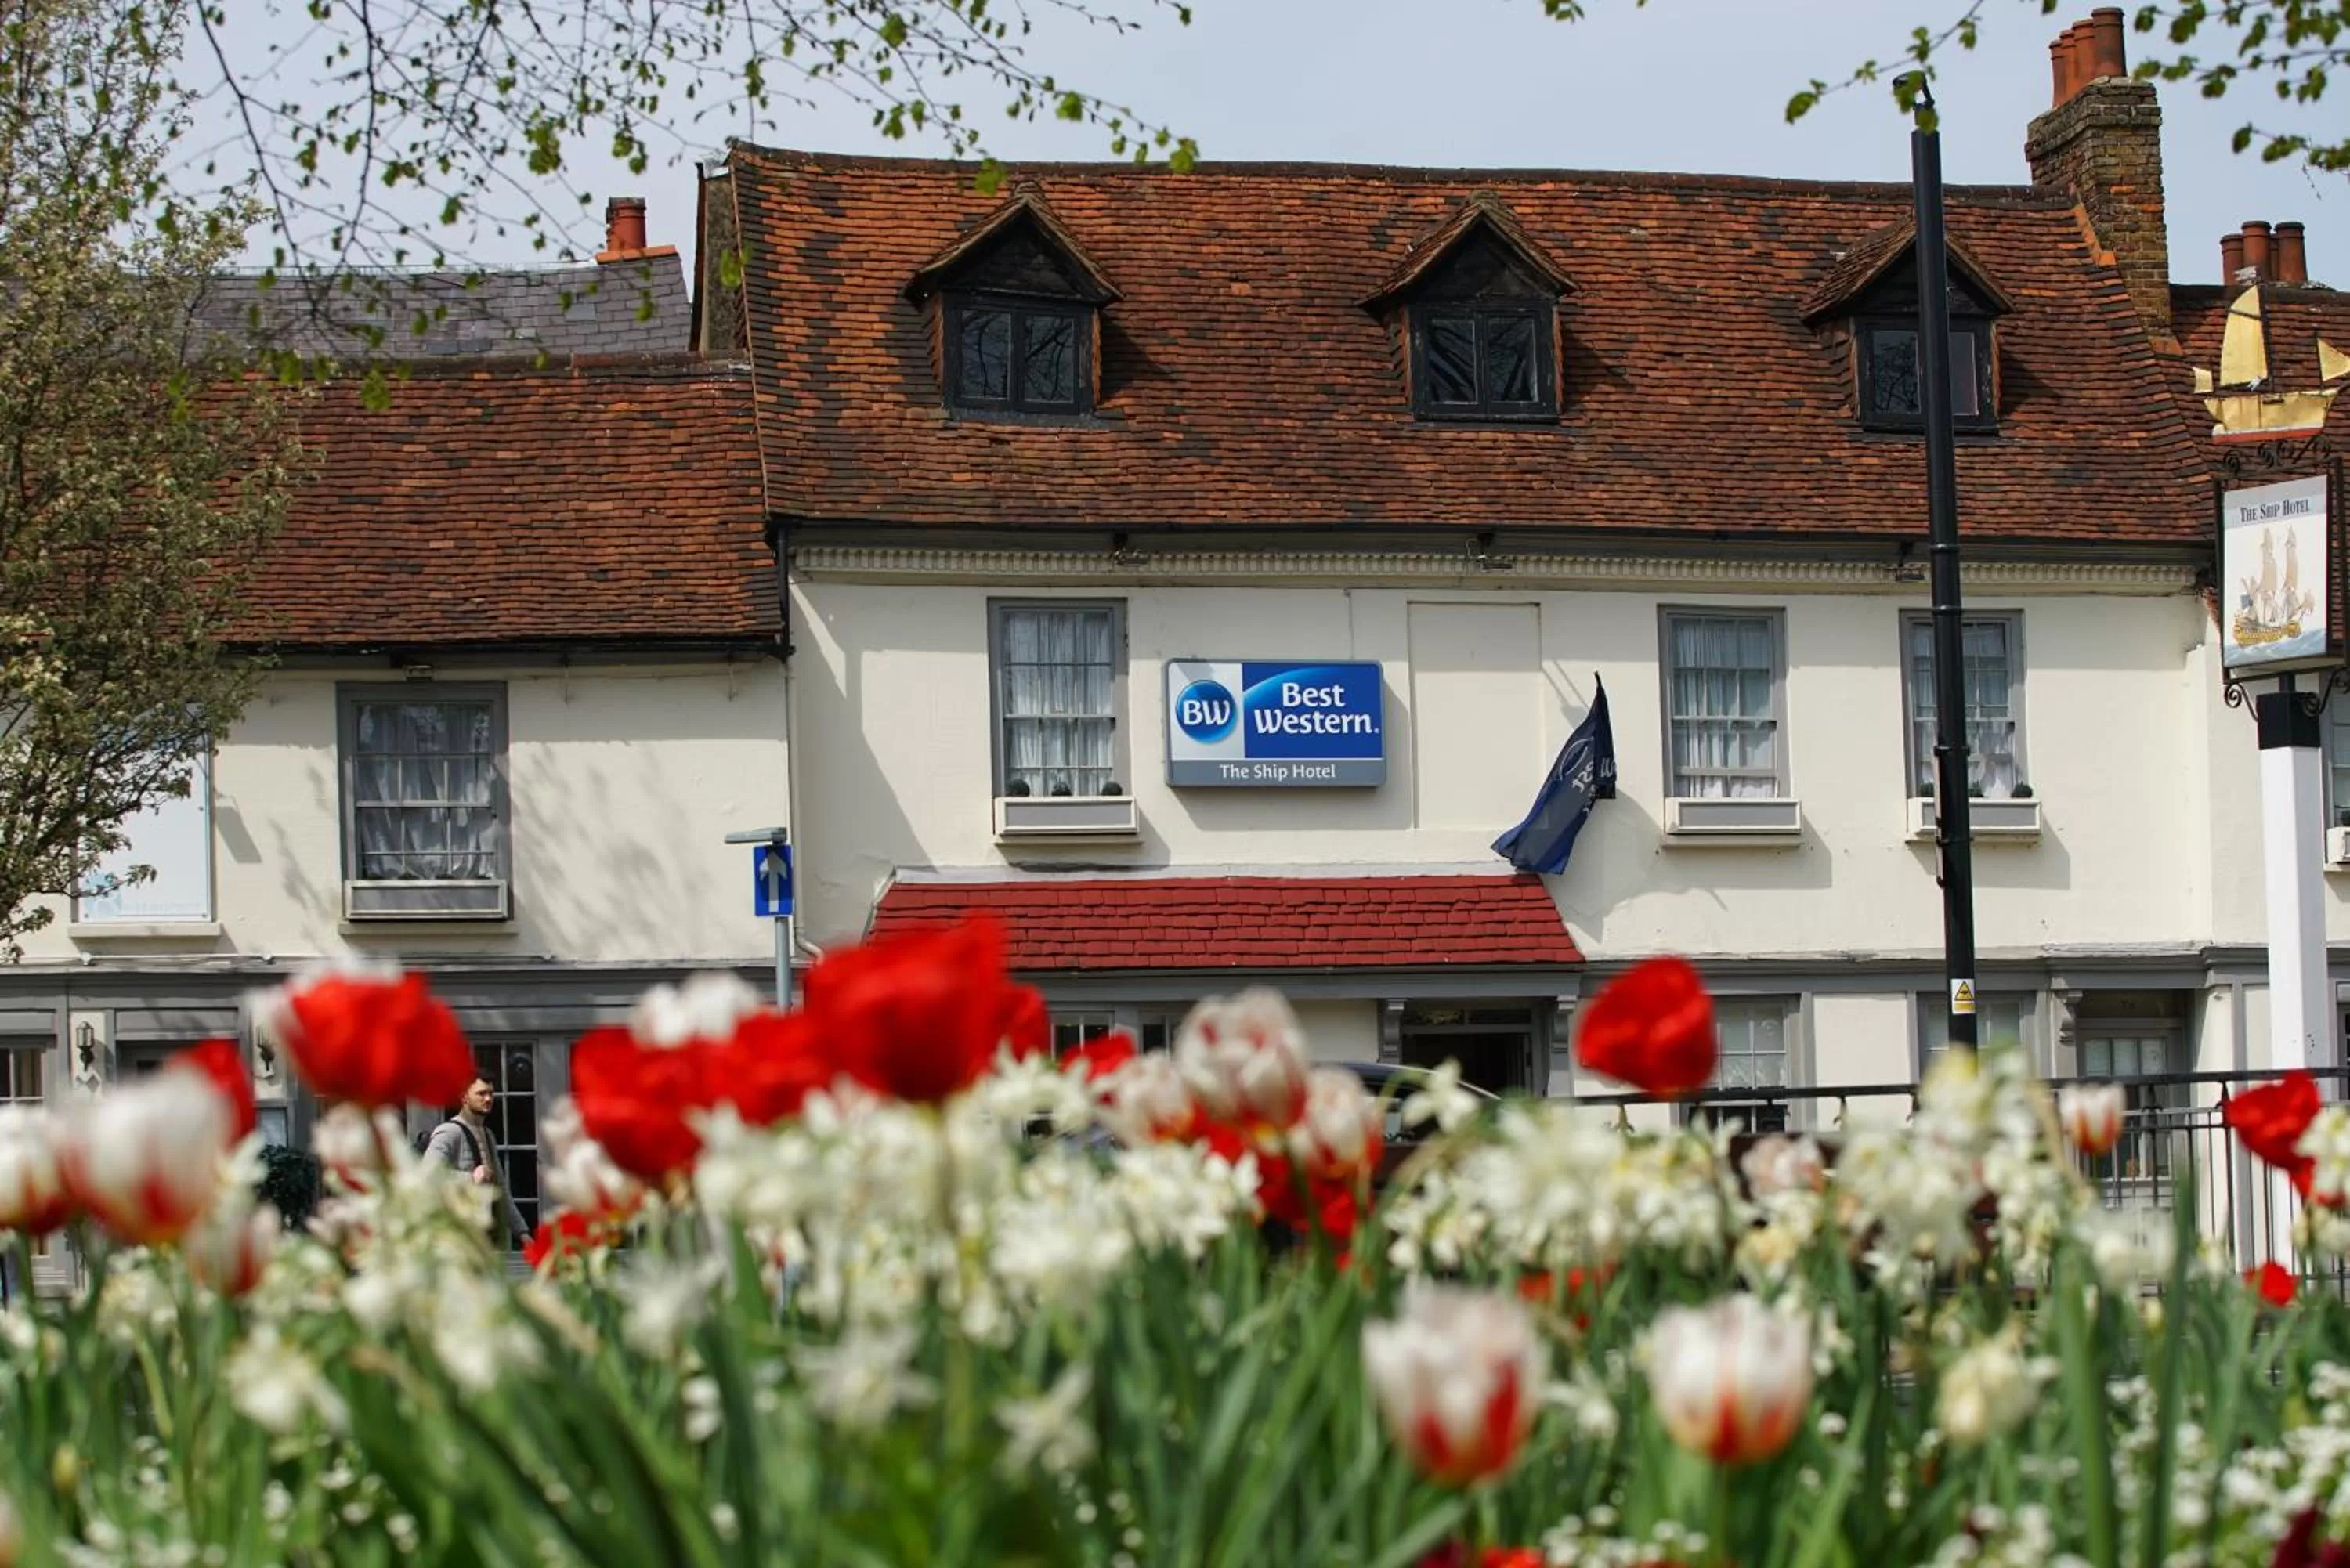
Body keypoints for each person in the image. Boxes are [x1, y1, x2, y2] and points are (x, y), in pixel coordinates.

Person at [422, 1075, 528, 1249]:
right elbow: (428, 1175)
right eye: (481, 1093)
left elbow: (501, 1190)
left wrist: (523, 1234)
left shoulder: (488, 1135)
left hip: (485, 1237)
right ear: (464, 1097)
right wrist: (470, 1178)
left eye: (491, 1093)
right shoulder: (449, 1132)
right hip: (456, 1238)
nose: (488, 1099)